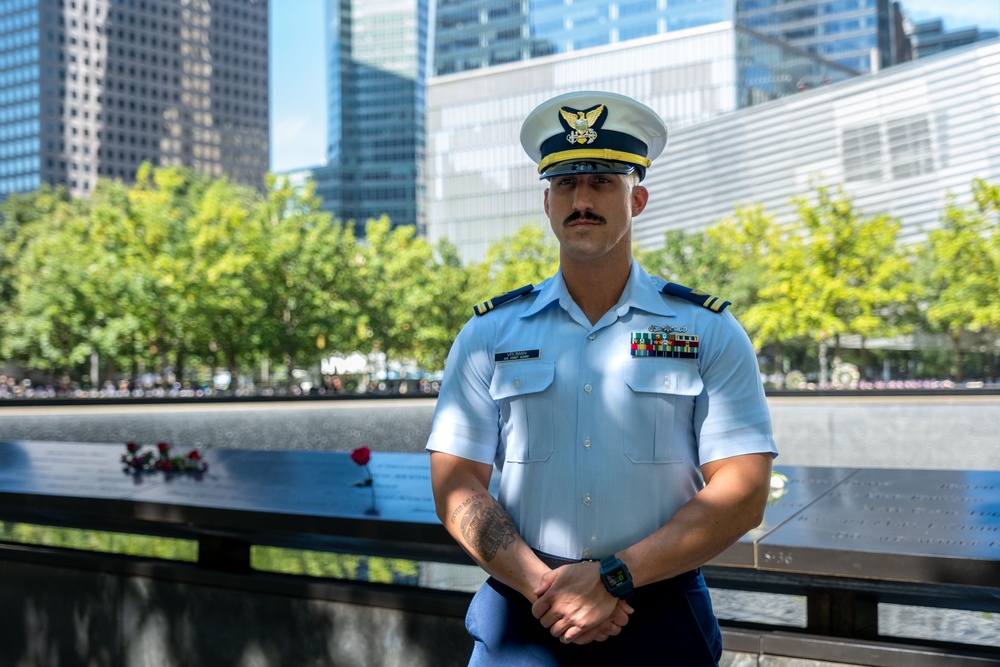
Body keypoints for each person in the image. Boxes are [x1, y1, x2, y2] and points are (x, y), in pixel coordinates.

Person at [426, 91, 777, 666]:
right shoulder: (491, 334)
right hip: (526, 613)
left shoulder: (707, 329)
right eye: (566, 184)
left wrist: (612, 579)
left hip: (661, 617)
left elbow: (743, 490)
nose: (581, 200)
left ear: (637, 198)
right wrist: (551, 588)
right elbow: (455, 481)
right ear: (546, 202)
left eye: (602, 182)